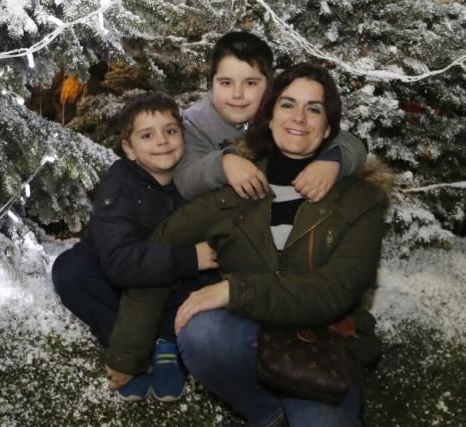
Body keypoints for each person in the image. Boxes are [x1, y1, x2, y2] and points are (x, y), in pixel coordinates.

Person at [106, 63, 389, 426]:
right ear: (268, 117)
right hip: (248, 333)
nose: (299, 117)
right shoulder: (235, 191)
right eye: (287, 105)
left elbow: (332, 293)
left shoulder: (360, 200)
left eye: (314, 108)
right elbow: (161, 247)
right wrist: (127, 354)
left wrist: (234, 291)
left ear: (329, 128)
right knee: (201, 330)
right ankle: (267, 413)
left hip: (322, 344)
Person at [50, 92, 218, 401]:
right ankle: (126, 345)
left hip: (171, 285)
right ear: (129, 149)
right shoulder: (119, 184)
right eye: (147, 135)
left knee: (201, 275)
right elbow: (120, 262)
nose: (162, 141)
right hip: (119, 271)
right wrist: (188, 257)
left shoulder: (195, 178)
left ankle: (165, 341)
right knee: (68, 271)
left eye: (170, 131)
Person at [174, 31, 367, 203]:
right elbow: (185, 181)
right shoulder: (194, 123)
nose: (237, 94)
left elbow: (347, 141)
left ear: (269, 85)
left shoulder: (278, 111)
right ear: (210, 85)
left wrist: (333, 161)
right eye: (226, 83)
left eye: (250, 83)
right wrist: (224, 164)